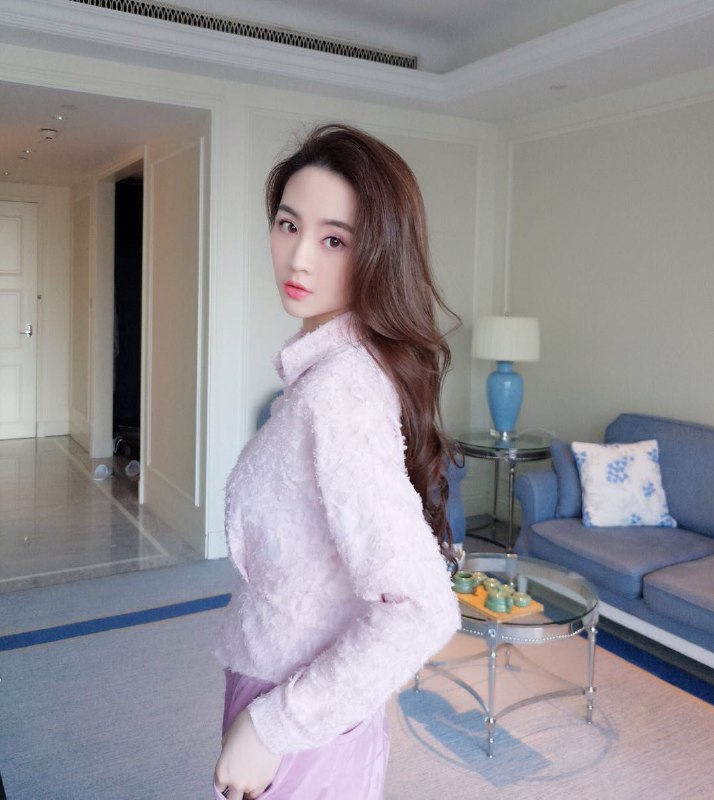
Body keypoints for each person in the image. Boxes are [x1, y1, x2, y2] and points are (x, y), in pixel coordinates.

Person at [213, 123, 462, 800]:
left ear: (378, 253)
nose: (298, 259)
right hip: (289, 687)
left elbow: (422, 609)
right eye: (288, 225)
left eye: (333, 240)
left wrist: (271, 728)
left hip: (298, 716)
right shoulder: (325, 377)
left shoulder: (340, 394)